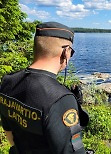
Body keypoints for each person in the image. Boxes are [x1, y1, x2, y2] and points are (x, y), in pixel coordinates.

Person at [0, 22, 89, 154]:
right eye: (71, 52)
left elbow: (8, 131)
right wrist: (68, 102)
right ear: (66, 52)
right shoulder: (60, 99)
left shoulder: (8, 81)